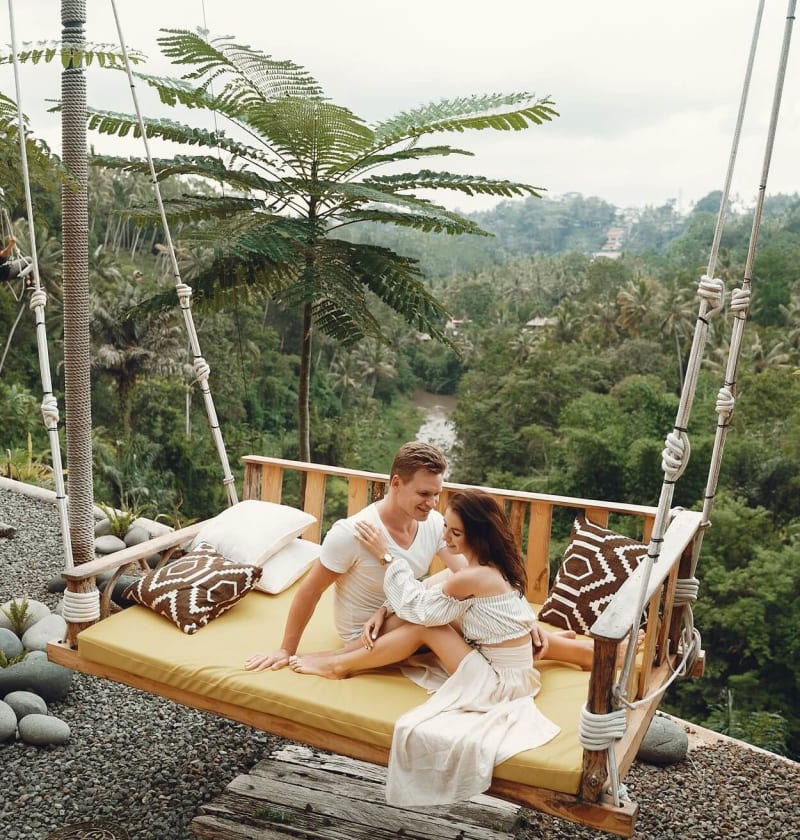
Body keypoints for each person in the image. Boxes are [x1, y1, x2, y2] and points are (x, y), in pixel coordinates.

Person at [290, 489, 562, 806]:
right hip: (512, 675)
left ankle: (339, 665)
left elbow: (420, 610)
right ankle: (341, 657)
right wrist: (383, 610)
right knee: (430, 620)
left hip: (498, 686)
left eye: (455, 532)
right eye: (445, 526)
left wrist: (386, 556)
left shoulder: (473, 576)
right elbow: (432, 587)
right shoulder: (493, 568)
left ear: (478, 536)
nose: (445, 537)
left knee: (426, 627)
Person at [244, 441, 467, 672]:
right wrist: (286, 650)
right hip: (365, 636)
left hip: (401, 611)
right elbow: (311, 590)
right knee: (438, 619)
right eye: (423, 494)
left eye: (437, 494)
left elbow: (465, 573)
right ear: (396, 483)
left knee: (462, 583)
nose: (432, 504)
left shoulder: (433, 523)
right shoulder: (353, 533)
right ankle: (338, 662)